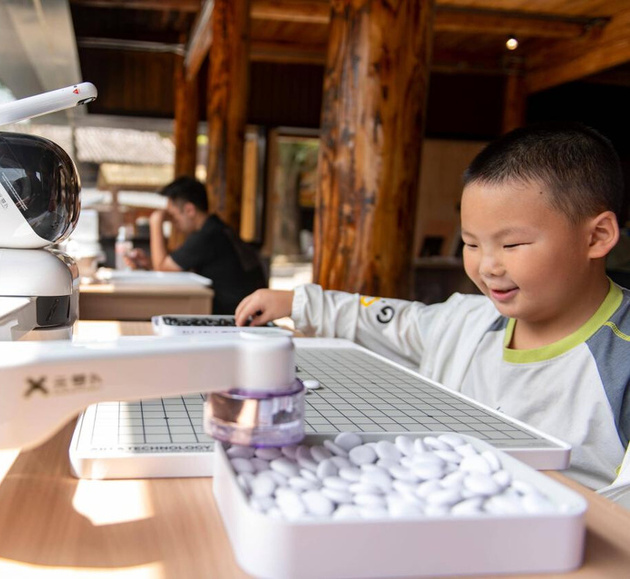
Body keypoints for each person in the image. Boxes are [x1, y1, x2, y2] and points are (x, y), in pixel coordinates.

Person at [235, 123, 629, 491]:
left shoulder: (620, 360)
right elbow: (394, 321)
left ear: (597, 237)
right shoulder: (469, 322)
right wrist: (300, 302)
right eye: (472, 245)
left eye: (512, 245)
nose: (488, 266)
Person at [127, 176, 267, 314]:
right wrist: (149, 263)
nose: (174, 223)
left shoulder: (208, 236)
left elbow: (162, 268)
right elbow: (171, 267)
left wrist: (155, 221)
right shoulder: (215, 228)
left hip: (235, 318)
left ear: (189, 210)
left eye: (174, 216)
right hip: (240, 312)